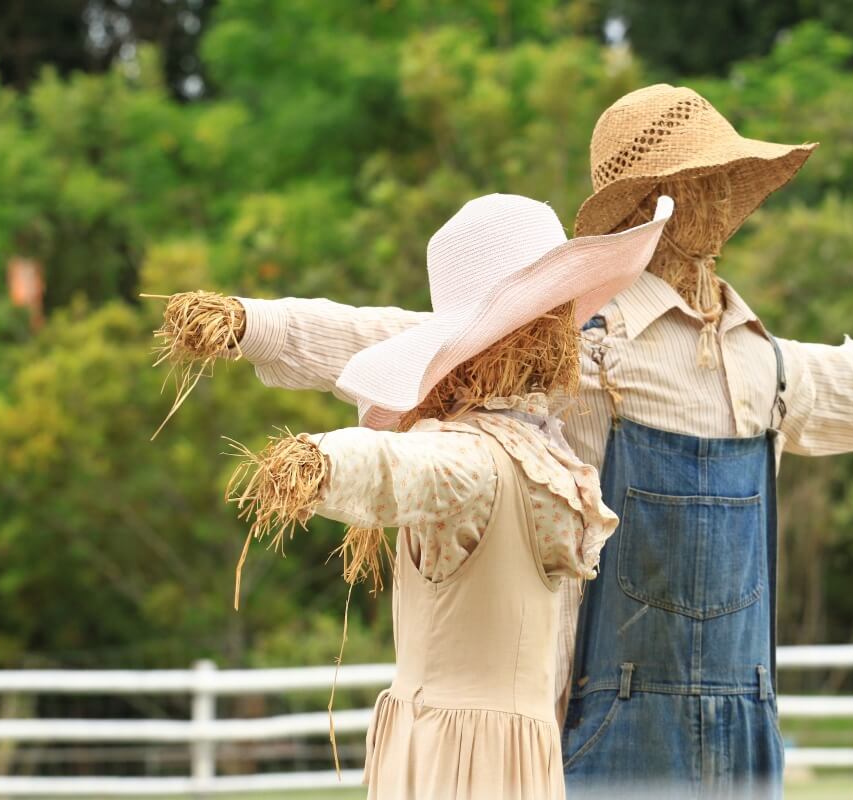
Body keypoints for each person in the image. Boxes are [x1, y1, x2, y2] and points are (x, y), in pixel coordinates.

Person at [164, 84, 853, 798]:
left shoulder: (768, 366)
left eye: (727, 180)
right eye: (700, 181)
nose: (721, 198)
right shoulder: (583, 348)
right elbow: (408, 333)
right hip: (610, 721)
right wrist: (253, 325)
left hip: (749, 718)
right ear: (654, 203)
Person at [209, 192, 672, 800]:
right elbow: (400, 468)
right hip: (464, 762)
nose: (572, 325)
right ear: (531, 334)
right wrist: (319, 461)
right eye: (557, 311)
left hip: (495, 747)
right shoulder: (474, 455)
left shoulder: (531, 449)